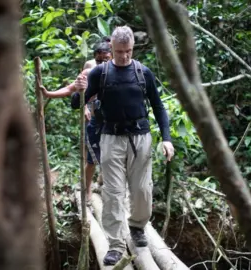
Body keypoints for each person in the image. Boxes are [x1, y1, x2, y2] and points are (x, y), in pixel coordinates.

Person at [72, 26, 174, 265]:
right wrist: (79, 89)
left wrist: (167, 138)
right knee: (114, 193)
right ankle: (116, 244)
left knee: (141, 190)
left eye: (128, 51)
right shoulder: (100, 73)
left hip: (141, 137)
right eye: (119, 52)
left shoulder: (143, 73)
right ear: (112, 49)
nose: (124, 56)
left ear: (133, 49)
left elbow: (158, 107)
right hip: (111, 138)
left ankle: (137, 226)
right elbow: (77, 103)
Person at [41, 42, 112, 203]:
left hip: (114, 124)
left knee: (113, 158)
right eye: (100, 61)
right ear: (95, 59)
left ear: (112, 57)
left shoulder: (120, 71)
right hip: (96, 121)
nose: (103, 64)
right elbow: (70, 90)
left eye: (106, 59)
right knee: (92, 159)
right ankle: (87, 190)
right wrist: (48, 93)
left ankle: (109, 188)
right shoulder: (89, 72)